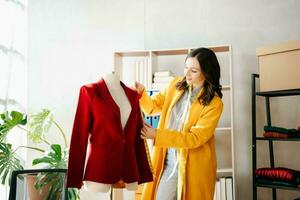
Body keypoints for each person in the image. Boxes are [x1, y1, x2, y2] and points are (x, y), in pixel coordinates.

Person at [133, 48, 224, 200]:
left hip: (194, 168)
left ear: (206, 73)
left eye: (194, 70)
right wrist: (142, 94)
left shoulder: (214, 104)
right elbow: (153, 107)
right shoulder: (176, 85)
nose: (187, 74)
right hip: (168, 163)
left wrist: (157, 134)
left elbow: (194, 138)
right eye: (186, 67)